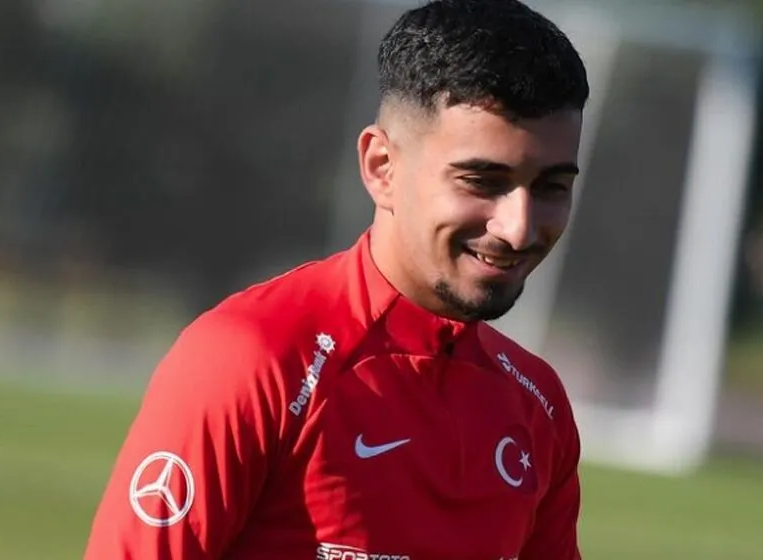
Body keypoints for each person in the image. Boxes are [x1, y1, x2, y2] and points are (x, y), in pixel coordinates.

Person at [83, 0, 589, 558]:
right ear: (381, 167)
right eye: (481, 181)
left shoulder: (538, 404)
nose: (518, 228)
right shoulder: (252, 361)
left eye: (551, 187)